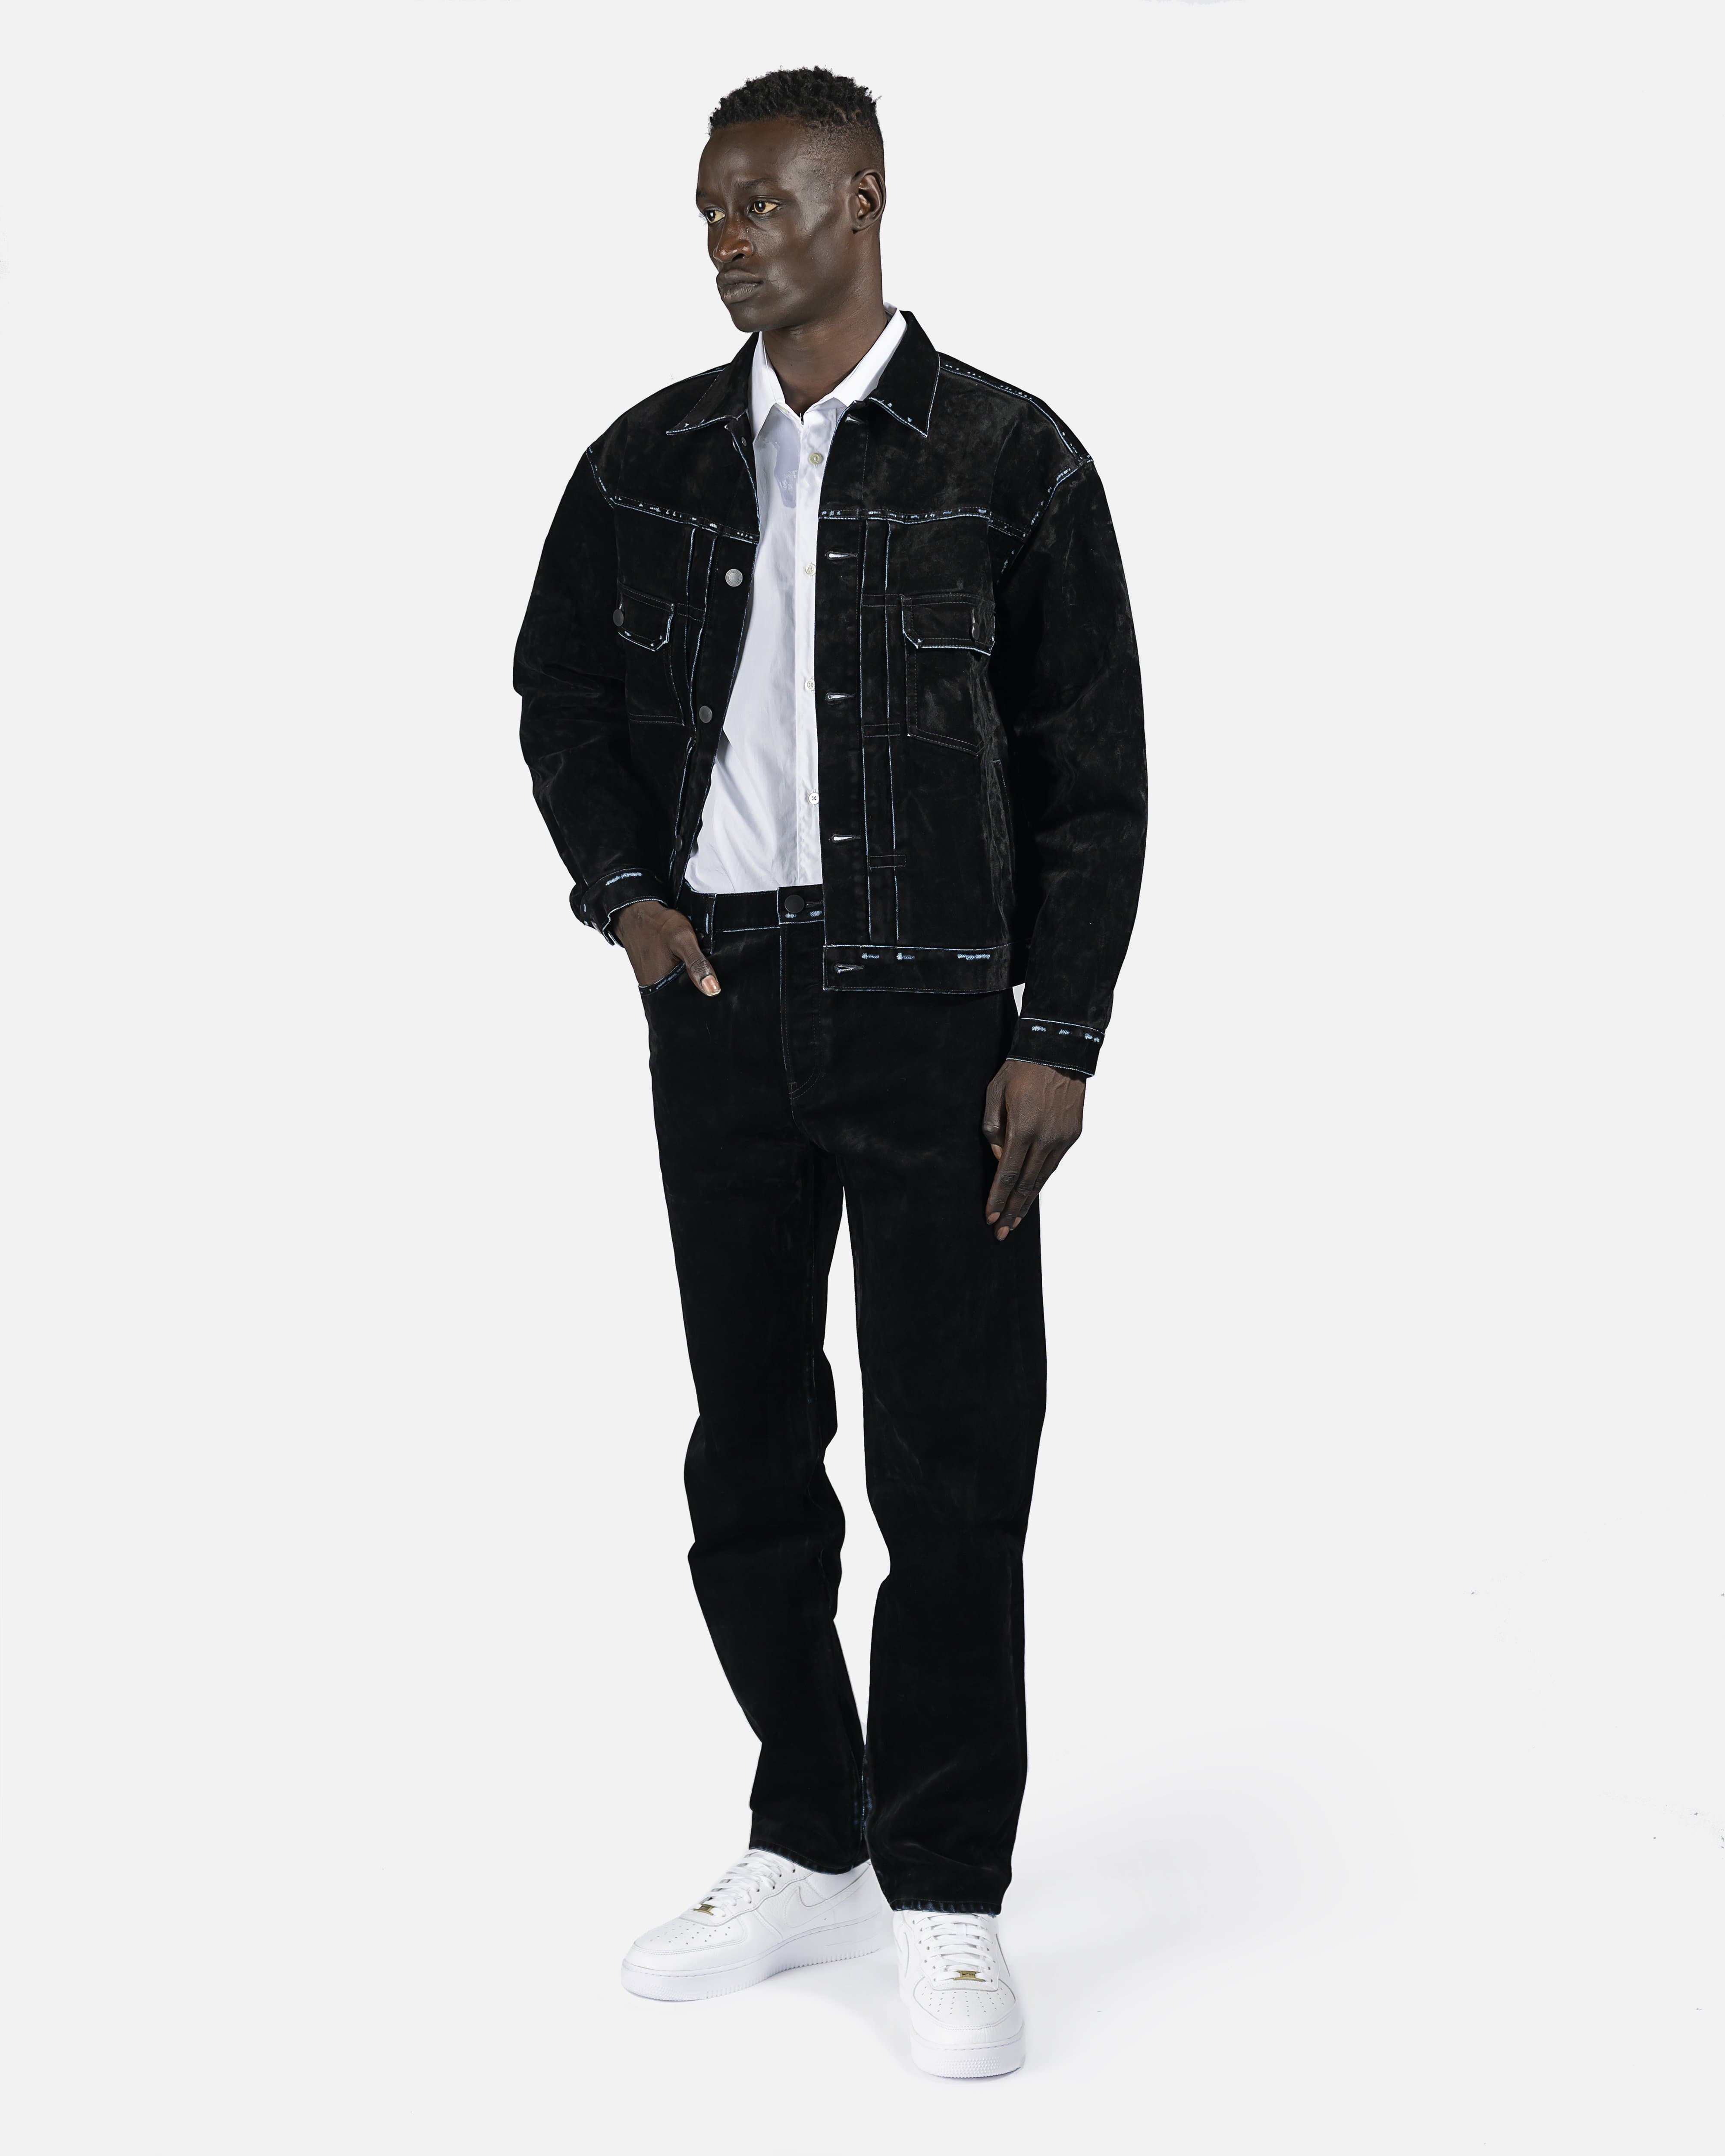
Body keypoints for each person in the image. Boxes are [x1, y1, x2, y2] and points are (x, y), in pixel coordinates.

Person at [514, 65, 1145, 2079]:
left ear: (862, 196)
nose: (729, 235)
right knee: (749, 1447)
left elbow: (1090, 772)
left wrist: (1054, 1033)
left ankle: (946, 1884)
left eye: (766, 200)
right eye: (710, 204)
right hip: (719, 998)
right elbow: (559, 691)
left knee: (952, 1459)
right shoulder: (647, 462)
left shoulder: (1010, 459)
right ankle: (811, 1830)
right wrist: (627, 897)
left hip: (937, 1007)